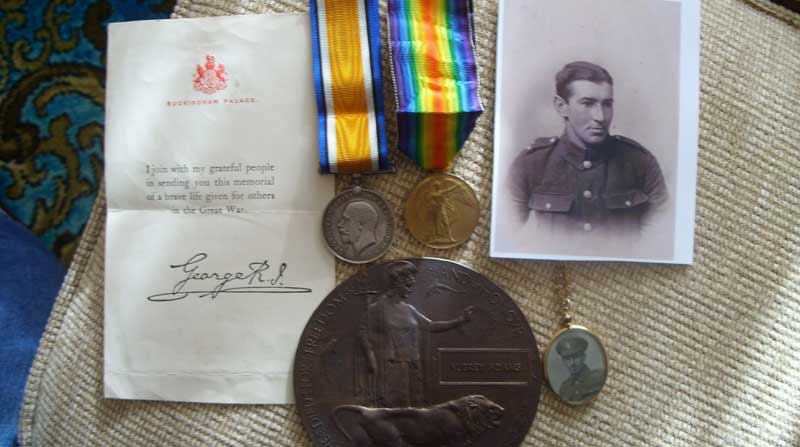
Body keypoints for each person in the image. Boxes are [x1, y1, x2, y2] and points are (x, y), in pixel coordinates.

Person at [508, 61, 668, 236]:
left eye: (607, 104)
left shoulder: (640, 162)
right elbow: (505, 232)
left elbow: (661, 236)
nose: (600, 116)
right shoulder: (531, 163)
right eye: (587, 103)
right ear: (562, 107)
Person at [358, 261, 473, 407]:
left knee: (414, 407)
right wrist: (371, 360)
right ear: (396, 282)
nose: (411, 289)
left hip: (413, 365)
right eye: (408, 285)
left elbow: (431, 326)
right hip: (392, 366)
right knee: (395, 407)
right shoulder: (378, 308)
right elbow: (362, 332)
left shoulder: (409, 309)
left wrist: (461, 320)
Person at [555, 336, 605, 403]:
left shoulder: (597, 378)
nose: (572, 363)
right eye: (567, 359)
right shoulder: (564, 388)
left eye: (576, 357)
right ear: (563, 361)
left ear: (583, 356)